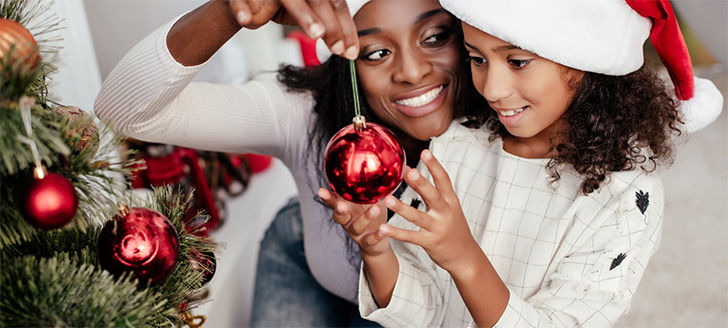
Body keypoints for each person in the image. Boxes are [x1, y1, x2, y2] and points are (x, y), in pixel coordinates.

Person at [319, 0, 724, 326]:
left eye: (517, 61)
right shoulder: (457, 145)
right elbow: (420, 312)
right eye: (477, 59)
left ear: (584, 60)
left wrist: (465, 258)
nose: (492, 88)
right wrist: (377, 252)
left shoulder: (624, 200)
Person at [93, 0, 487, 326]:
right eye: (376, 53)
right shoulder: (304, 112)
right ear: (345, 64)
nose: (413, 71)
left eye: (435, 37)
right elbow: (124, 111)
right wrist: (231, 11)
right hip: (311, 263)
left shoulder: (508, 124)